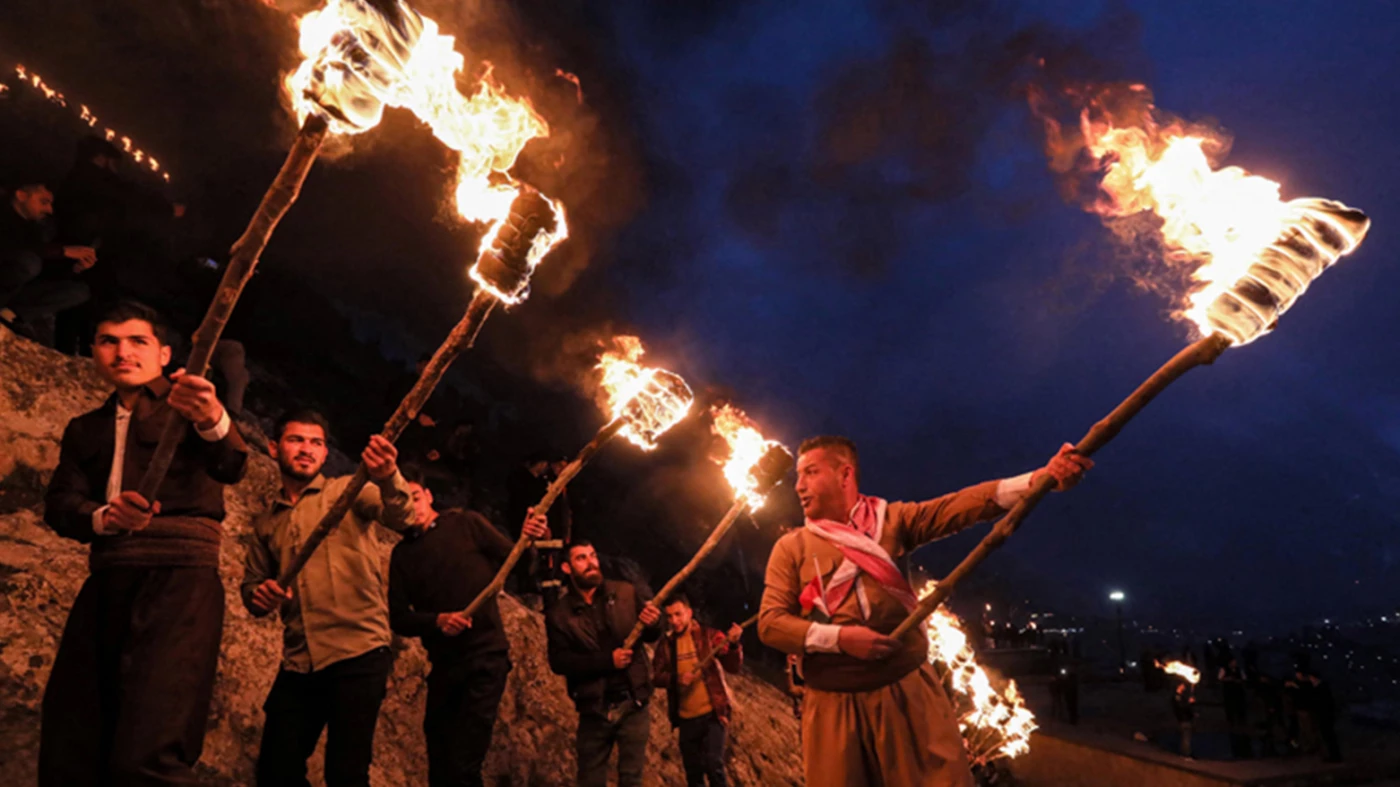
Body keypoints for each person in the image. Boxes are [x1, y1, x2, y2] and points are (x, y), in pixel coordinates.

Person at [758, 435, 1091, 787]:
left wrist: (1042, 478)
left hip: (907, 696)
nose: (798, 486)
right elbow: (770, 624)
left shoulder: (894, 521)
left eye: (810, 472)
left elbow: (961, 506)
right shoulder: (790, 548)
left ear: (845, 475)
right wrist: (841, 638)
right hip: (832, 707)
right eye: (798, 475)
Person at [39, 300, 248, 784]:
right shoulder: (85, 428)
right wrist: (103, 515)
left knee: (152, 746)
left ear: (165, 353)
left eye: (138, 341)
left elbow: (232, 464)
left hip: (179, 585)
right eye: (108, 341)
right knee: (74, 740)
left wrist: (213, 415)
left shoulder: (189, 405)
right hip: (108, 579)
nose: (121, 352)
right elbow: (61, 503)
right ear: (93, 351)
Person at [240, 409, 415, 787]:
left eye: (316, 443)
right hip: (300, 659)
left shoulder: (348, 490)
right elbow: (252, 590)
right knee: (275, 769)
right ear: (273, 448)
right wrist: (262, 595)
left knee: (346, 773)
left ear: (324, 452)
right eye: (296, 440)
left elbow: (403, 517)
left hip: (359, 652)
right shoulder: (267, 522)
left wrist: (388, 477)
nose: (307, 449)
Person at [387, 466, 549, 787]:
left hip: (485, 658)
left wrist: (529, 540)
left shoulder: (465, 523)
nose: (411, 506)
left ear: (428, 495)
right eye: (402, 500)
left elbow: (517, 563)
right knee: (440, 759)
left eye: (415, 497)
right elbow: (399, 618)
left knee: (464, 763)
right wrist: (437, 621)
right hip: (445, 665)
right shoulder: (402, 555)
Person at [545, 541, 663, 787]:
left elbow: (650, 635)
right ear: (567, 568)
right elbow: (559, 661)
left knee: (632, 779)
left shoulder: (625, 593)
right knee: (590, 779)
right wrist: (607, 661)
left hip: (633, 702)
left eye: (592, 556)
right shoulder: (560, 614)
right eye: (581, 558)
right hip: (594, 709)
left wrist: (653, 623)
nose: (590, 563)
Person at [650, 593, 744, 787]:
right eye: (669, 616)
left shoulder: (709, 636)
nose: (674, 621)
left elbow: (733, 666)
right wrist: (676, 679)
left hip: (713, 714)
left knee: (713, 763)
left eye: (678, 614)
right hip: (686, 719)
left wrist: (733, 644)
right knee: (693, 774)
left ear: (689, 613)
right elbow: (655, 676)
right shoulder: (666, 645)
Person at [0, 179, 94, 342]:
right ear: (21, 195)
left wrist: (75, 269)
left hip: (14, 291)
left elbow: (44, 268)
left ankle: (9, 315)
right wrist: (62, 251)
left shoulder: (36, 227)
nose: (49, 210)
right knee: (29, 263)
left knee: (79, 291)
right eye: (44, 202)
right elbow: (12, 249)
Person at [1220, 656, 1251, 758]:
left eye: (1235, 662)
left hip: (1238, 693)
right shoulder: (1224, 669)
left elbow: (1244, 679)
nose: (1234, 664)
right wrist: (1228, 679)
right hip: (1229, 693)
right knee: (1230, 709)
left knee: (1240, 709)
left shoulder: (1239, 670)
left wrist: (1239, 681)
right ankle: (1231, 724)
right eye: (1233, 662)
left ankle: (1241, 725)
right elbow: (1220, 679)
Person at [1172, 682, 1196, 759]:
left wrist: (1193, 713)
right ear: (1178, 686)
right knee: (1186, 738)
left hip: (1186, 719)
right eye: (1182, 685)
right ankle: (1186, 754)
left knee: (1186, 737)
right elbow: (1181, 707)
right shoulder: (1177, 697)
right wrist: (1189, 703)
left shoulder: (1181, 697)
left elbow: (1186, 708)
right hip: (1183, 720)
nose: (1184, 687)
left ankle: (1185, 753)